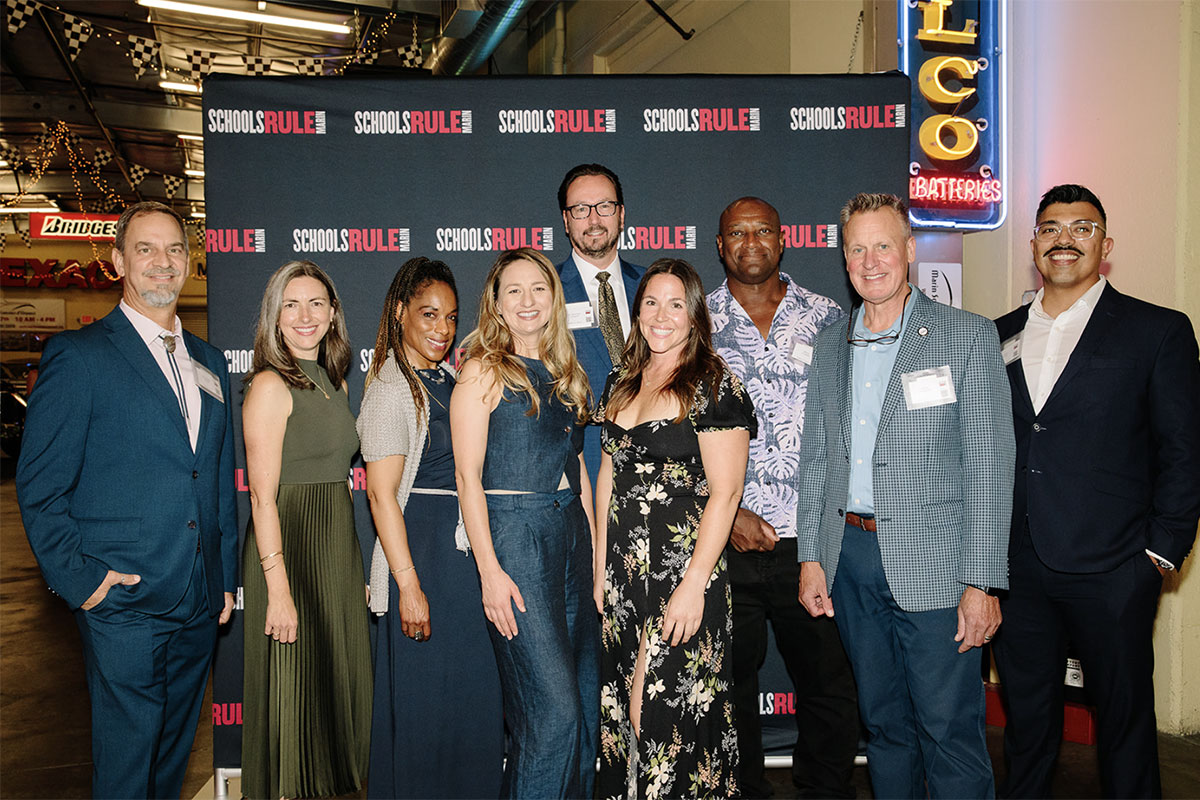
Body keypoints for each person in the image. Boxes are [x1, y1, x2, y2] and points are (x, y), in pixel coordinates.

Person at [796, 193, 1014, 799]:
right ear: (844, 259)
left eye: (883, 246)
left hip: (940, 565)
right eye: (857, 249)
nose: (871, 262)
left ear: (910, 251)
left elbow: (990, 468)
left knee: (949, 731)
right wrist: (811, 556)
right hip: (851, 562)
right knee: (885, 728)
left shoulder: (966, 337)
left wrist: (983, 582)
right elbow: (817, 458)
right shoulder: (830, 345)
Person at [15, 201, 236, 799]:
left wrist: (223, 577)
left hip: (197, 599)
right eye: (145, 249)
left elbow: (215, 476)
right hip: (123, 601)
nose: (162, 262)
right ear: (117, 261)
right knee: (126, 769)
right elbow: (39, 485)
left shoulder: (211, 362)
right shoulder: (80, 356)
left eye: (174, 249)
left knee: (170, 762)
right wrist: (83, 581)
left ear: (189, 262)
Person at [993, 184, 1200, 799]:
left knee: (1123, 724)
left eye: (1082, 228)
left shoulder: (1157, 330)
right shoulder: (996, 334)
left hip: (1115, 566)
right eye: (1050, 228)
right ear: (1034, 244)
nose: (1065, 239)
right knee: (1026, 724)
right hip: (1017, 565)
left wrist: (1160, 552)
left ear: (1105, 246)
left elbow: (1184, 449)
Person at [706, 196, 859, 799]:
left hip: (812, 542)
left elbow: (850, 424)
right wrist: (728, 511)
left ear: (783, 239)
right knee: (728, 687)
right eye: (737, 233)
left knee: (828, 684)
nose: (751, 243)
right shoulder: (694, 322)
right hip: (724, 540)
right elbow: (677, 429)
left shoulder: (827, 317)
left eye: (763, 230)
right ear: (720, 245)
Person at [595, 258, 756, 799]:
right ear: (636, 310)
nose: (661, 316)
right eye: (650, 302)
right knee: (625, 714)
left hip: (682, 572)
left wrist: (694, 586)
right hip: (622, 576)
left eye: (675, 304)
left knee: (660, 715)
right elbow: (607, 475)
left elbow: (726, 494)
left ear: (694, 315)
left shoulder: (714, 386)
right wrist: (600, 569)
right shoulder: (621, 380)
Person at [450, 247, 599, 799]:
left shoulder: (566, 371)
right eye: (513, 290)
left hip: (571, 537)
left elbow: (578, 469)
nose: (527, 300)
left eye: (538, 288)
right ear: (496, 303)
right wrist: (490, 572)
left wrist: (595, 562)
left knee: (585, 708)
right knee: (552, 716)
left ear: (554, 298)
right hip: (517, 539)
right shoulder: (483, 370)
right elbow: (467, 478)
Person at [359, 257, 503, 798]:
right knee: (426, 706)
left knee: (467, 700)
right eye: (428, 314)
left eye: (451, 317)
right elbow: (380, 495)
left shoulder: (448, 377)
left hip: (460, 558)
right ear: (400, 313)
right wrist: (409, 585)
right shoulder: (392, 387)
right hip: (423, 553)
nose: (443, 328)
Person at [239, 260, 371, 799]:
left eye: (316, 303)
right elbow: (262, 497)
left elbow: (340, 480)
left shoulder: (335, 382)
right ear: (274, 316)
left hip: (333, 547)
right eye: (290, 305)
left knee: (334, 687)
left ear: (333, 312)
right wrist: (278, 590)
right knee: (296, 690)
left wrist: (351, 564)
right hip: (288, 545)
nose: (304, 316)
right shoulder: (270, 385)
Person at [556, 163, 646, 487]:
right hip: (580, 466)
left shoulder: (654, 286)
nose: (594, 219)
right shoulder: (544, 291)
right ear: (566, 220)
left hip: (656, 467)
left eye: (604, 206)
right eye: (581, 209)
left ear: (621, 214)